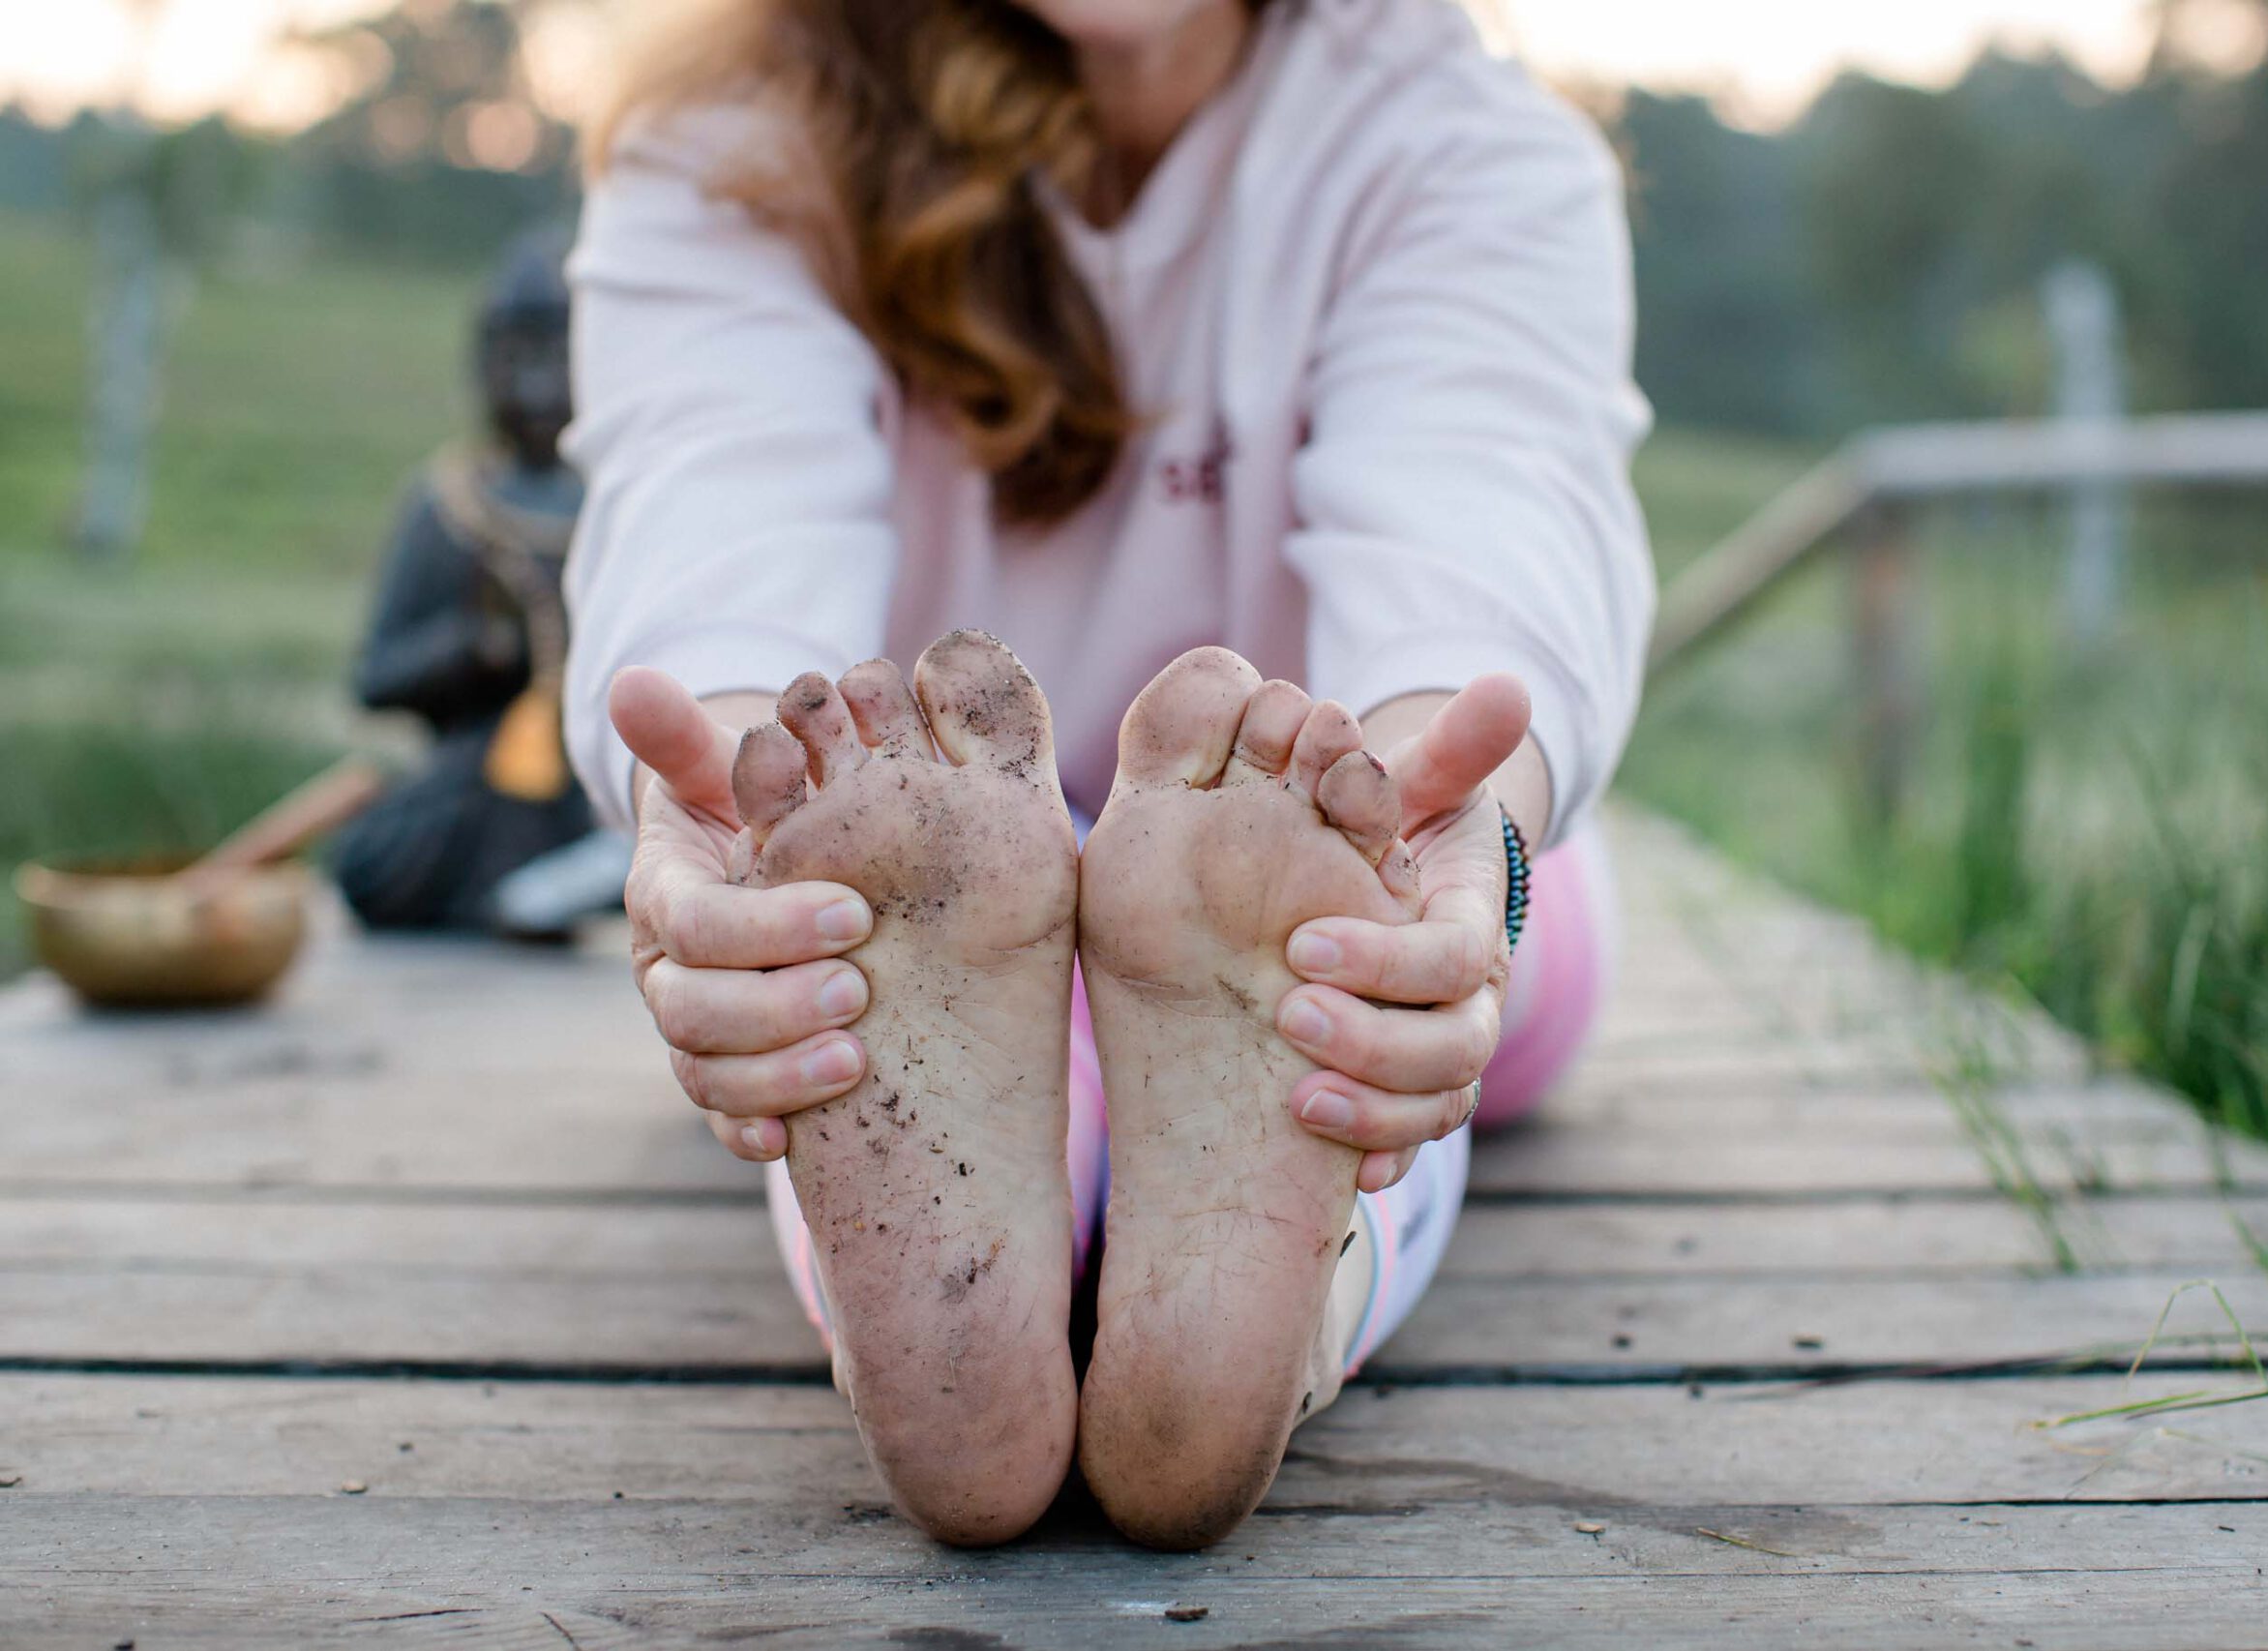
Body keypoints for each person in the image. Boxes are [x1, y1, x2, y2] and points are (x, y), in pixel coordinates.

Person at [564, 0, 1651, 1550]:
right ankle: (1297, 1307)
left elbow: (1479, 519)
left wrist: (1440, 830)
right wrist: (748, 842)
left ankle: (932, 1315)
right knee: (1336, 994)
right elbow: (717, 505)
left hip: (1292, 832)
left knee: (1375, 943)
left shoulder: (1455, 148)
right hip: (973, 860)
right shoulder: (738, 142)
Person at [336, 231, 631, 939]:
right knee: (368, 865)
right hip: (473, 781)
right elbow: (375, 677)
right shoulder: (446, 506)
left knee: (655, 833)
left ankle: (565, 884)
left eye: (556, 359)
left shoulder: (618, 504)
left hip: (587, 788)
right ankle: (532, 896)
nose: (535, 388)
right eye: (514, 360)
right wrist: (475, 650)